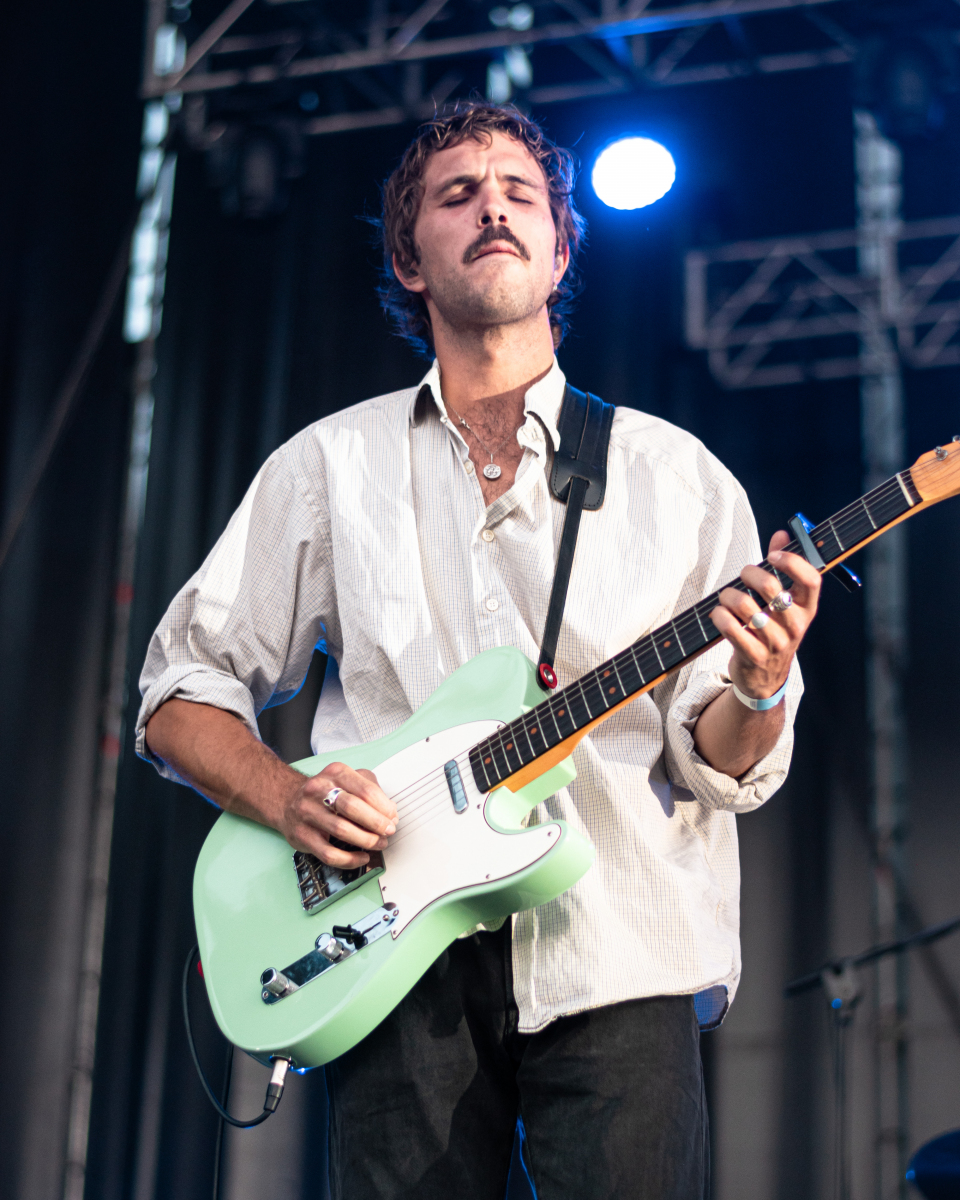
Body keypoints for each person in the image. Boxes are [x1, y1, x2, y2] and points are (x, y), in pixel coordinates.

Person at [138, 102, 821, 1200]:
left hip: (621, 952)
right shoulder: (328, 465)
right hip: (392, 957)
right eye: (458, 195)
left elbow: (723, 764)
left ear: (560, 250)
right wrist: (287, 796)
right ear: (409, 261)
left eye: (520, 195)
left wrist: (762, 681)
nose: (493, 208)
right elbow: (178, 692)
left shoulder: (678, 477)